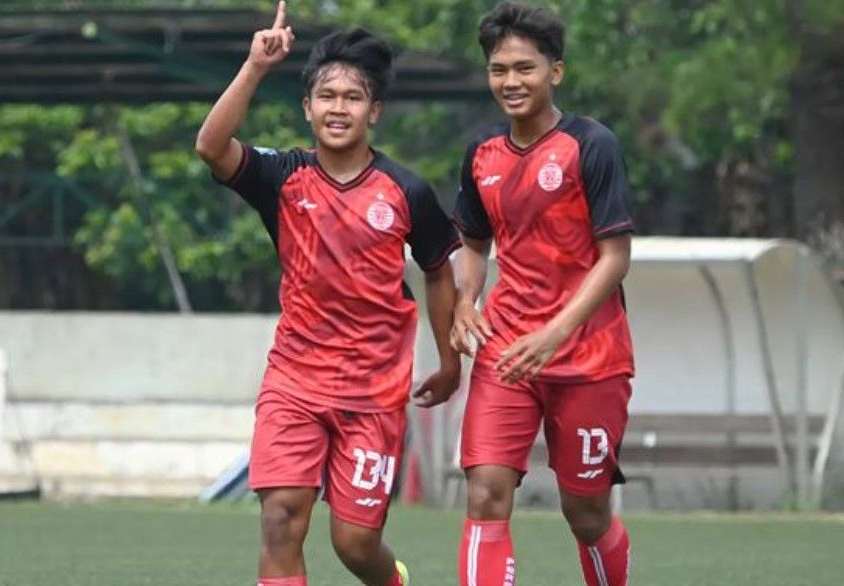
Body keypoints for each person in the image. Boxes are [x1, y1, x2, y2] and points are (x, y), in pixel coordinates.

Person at [195, 3, 462, 585]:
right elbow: (213, 147)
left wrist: (447, 361)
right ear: (307, 107)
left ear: (375, 111)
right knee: (280, 521)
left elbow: (440, 270)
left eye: (353, 96)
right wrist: (255, 65)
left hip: (373, 390)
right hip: (294, 380)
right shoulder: (282, 177)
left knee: (356, 543)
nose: (338, 107)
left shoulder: (407, 190)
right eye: (327, 95)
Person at [449, 2, 636, 585]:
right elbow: (474, 245)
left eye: (525, 68)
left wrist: (555, 333)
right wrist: (464, 301)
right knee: (485, 491)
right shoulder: (481, 156)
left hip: (589, 357)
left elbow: (616, 258)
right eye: (499, 69)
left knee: (584, 512)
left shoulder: (591, 144)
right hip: (508, 350)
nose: (511, 81)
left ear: (555, 71)